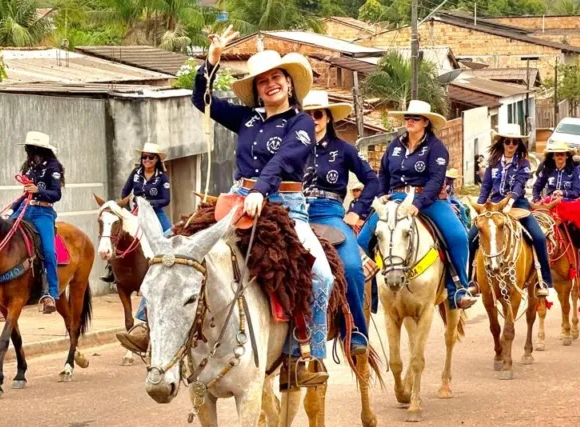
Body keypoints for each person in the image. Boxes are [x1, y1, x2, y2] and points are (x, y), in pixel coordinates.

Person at [122, 27, 333, 386]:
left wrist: (263, 190)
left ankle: (308, 355)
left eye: (276, 77)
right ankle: (144, 323)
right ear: (256, 88)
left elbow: (284, 159)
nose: (270, 85)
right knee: (175, 244)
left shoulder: (300, 123)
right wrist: (212, 62)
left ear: (288, 82)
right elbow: (201, 100)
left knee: (321, 276)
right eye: (262, 80)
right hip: (235, 202)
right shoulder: (247, 119)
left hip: (285, 204)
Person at [365, 100, 478, 310]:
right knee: (362, 240)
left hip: (429, 201)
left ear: (426, 121)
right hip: (394, 200)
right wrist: (381, 195)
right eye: (407, 117)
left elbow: (436, 180)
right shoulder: (394, 146)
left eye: (415, 118)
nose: (410, 121)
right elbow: (383, 175)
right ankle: (369, 298)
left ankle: (458, 290)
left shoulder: (436, 148)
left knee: (458, 237)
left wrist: (419, 202)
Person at [300, 89, 379, 359]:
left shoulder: (344, 150)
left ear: (328, 117)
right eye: (307, 115)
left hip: (329, 212)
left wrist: (357, 210)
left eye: (318, 114)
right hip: (293, 211)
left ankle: (355, 329)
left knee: (353, 266)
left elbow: (373, 181)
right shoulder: (290, 146)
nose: (313, 120)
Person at [474, 124, 551, 297]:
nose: (510, 145)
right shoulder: (493, 163)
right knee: (471, 236)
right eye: (507, 141)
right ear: (502, 143)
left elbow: (519, 185)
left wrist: (510, 202)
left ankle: (543, 279)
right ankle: (472, 280)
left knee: (538, 237)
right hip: (493, 206)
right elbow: (486, 187)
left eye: (514, 142)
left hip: (518, 204)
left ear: (518, 145)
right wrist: (480, 207)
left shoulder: (523, 164)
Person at [9, 131, 64, 314]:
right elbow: (27, 193)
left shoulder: (53, 167)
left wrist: (37, 191)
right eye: (29, 148)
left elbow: (56, 194)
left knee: (48, 250)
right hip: (25, 208)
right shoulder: (29, 166)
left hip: (43, 211)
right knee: (1, 236)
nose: (31, 151)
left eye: (34, 148)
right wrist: (14, 206)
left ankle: (51, 292)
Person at [101, 142, 171, 283]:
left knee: (169, 234)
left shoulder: (162, 177)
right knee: (118, 234)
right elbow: (125, 191)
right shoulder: (135, 173)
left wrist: (148, 204)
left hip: (155, 212)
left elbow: (166, 199)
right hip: (136, 212)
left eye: (151, 157)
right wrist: (126, 207)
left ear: (157, 159)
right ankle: (111, 269)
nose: (147, 160)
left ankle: (169, 267)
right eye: (144, 157)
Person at [533, 141, 580, 279]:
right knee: (532, 226)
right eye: (557, 154)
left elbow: (576, 191)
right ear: (553, 156)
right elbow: (536, 187)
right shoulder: (547, 170)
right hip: (549, 205)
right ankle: (534, 263)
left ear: (567, 156)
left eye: (562, 154)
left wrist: (562, 193)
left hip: (569, 205)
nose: (560, 157)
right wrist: (537, 199)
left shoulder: (574, 171)